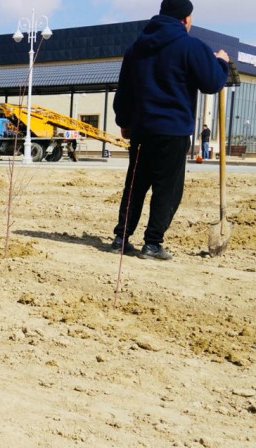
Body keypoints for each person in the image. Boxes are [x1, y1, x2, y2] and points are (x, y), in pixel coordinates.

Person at [111, 0, 229, 260]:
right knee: (167, 188)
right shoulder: (191, 47)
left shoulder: (136, 49)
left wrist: (125, 123)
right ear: (185, 19)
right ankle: (152, 244)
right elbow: (212, 83)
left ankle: (121, 237)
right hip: (172, 131)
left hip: (141, 130)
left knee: (135, 184)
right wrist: (221, 63)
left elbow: (125, 91)